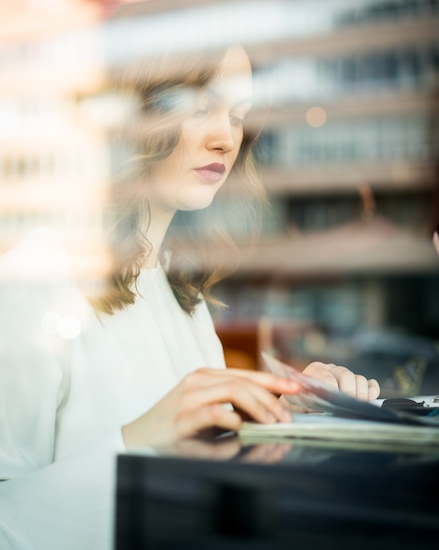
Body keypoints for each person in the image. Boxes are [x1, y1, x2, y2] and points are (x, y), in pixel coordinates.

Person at [0, 44, 380, 549]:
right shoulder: (40, 273)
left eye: (238, 116)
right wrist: (140, 442)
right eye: (200, 108)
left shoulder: (185, 297)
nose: (226, 138)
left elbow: (195, 484)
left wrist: (279, 421)